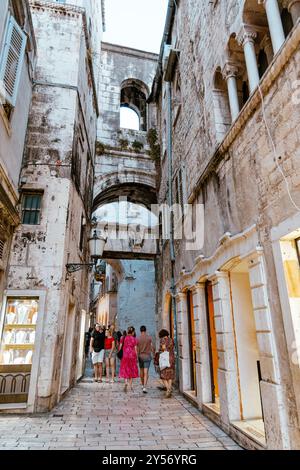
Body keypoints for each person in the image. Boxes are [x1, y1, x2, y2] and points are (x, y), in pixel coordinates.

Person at [119, 326, 139, 392]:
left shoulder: (123, 338)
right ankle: (130, 386)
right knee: (131, 370)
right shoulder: (134, 339)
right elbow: (136, 349)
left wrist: (120, 354)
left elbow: (120, 347)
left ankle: (126, 383)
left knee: (125, 369)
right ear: (133, 332)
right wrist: (137, 356)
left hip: (125, 355)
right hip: (132, 356)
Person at [137, 325, 155, 394]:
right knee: (146, 372)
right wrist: (153, 353)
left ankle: (142, 385)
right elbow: (152, 347)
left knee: (141, 371)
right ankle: (144, 386)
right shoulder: (149, 338)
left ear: (140, 330)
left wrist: (137, 356)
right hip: (147, 356)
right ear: (145, 330)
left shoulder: (138, 338)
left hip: (140, 356)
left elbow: (137, 349)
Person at [158, 329, 175, 398]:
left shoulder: (162, 340)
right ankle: (169, 387)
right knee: (170, 374)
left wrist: (160, 350)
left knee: (163, 375)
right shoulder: (171, 339)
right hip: (171, 357)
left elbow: (164, 348)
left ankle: (168, 388)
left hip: (165, 358)